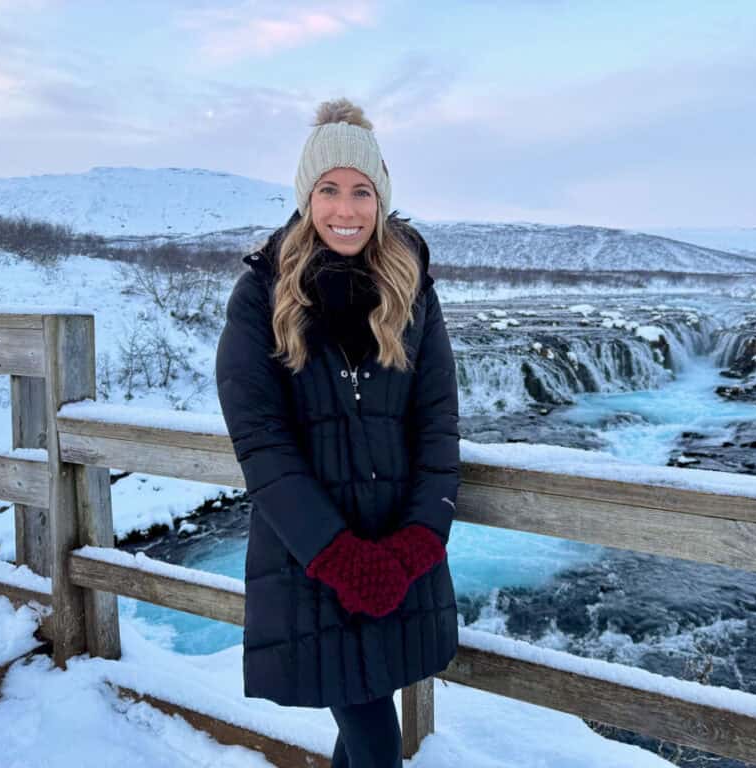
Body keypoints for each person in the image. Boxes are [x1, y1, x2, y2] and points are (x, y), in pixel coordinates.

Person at [215, 98, 460, 768]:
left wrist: (419, 540)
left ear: (382, 200)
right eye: (329, 189)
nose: (345, 209)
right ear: (306, 197)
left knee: (362, 732)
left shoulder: (413, 289)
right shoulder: (261, 295)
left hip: (397, 551)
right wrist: (337, 556)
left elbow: (438, 423)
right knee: (377, 740)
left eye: (361, 191)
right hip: (310, 560)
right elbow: (261, 440)